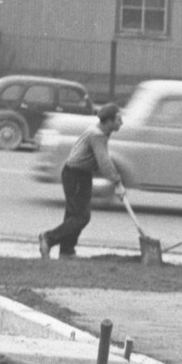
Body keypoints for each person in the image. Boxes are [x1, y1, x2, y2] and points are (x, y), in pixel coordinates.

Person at [40, 103, 127, 259]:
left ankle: (67, 251)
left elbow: (100, 161)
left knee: (73, 215)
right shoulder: (97, 135)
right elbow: (104, 162)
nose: (122, 122)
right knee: (81, 217)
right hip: (75, 175)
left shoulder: (100, 132)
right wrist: (117, 183)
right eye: (119, 119)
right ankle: (48, 238)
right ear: (109, 121)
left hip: (81, 174)